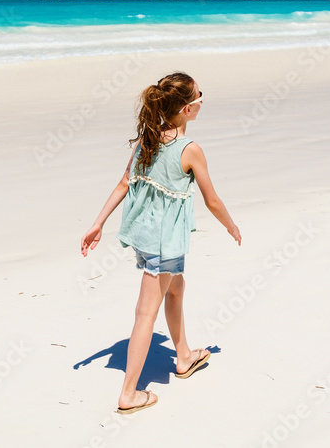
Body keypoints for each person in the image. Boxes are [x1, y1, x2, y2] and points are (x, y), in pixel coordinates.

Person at [79, 71, 242, 414]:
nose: (201, 100)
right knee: (145, 313)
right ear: (186, 108)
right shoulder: (189, 149)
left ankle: (183, 356)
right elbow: (212, 200)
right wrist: (231, 225)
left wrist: (98, 223)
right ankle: (129, 393)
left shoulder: (148, 139)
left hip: (145, 234)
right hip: (165, 242)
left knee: (176, 287)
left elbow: (124, 183)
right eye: (199, 95)